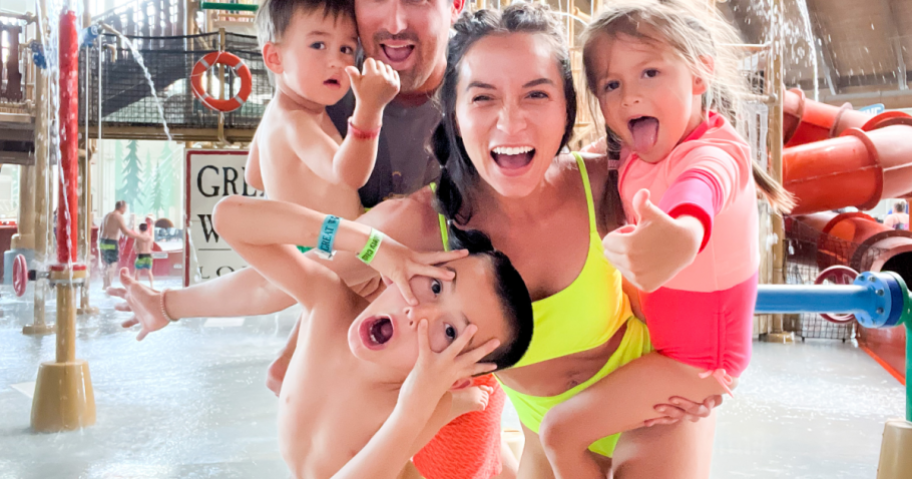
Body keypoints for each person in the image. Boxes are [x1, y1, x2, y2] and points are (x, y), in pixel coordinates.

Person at [111, 4, 722, 478]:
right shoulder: (417, 226)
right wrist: (172, 304)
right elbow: (283, 272)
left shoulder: (609, 183)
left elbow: (717, 183)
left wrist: (711, 361)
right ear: (452, 113)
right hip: (546, 428)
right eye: (483, 97)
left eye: (537, 94)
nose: (511, 123)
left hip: (650, 396)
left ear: (568, 109)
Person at [536, 2, 794, 477]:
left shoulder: (716, 152)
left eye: (650, 72)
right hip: (665, 351)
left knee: (560, 431)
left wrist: (681, 236)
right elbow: (564, 172)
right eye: (611, 85)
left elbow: (699, 192)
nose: (630, 95)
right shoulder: (631, 153)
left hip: (697, 362)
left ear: (700, 74)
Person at [212, 193, 533, 479]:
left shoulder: (414, 408)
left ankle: (468, 401)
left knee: (471, 441)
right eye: (435, 286)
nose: (418, 313)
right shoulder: (328, 304)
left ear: (450, 378)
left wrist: (413, 409)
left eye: (450, 332)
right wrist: (371, 245)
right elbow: (229, 218)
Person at [248, 0, 400, 224]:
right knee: (409, 213)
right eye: (318, 45)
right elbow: (348, 177)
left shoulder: (277, 113)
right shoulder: (296, 122)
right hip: (329, 250)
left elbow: (255, 178)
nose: (336, 62)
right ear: (275, 58)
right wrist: (369, 108)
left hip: (316, 244)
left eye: (346, 49)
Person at [100, 201, 142, 290]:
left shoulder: (107, 216)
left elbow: (100, 230)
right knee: (112, 264)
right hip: (112, 242)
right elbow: (125, 232)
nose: (125, 210)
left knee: (106, 264)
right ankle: (108, 287)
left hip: (103, 242)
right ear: (122, 208)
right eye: (125, 208)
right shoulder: (118, 217)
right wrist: (138, 236)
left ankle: (104, 285)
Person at [134, 219, 155, 288]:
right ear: (146, 229)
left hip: (141, 255)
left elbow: (135, 247)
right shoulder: (150, 238)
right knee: (149, 272)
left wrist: (138, 250)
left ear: (140, 229)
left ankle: (137, 286)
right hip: (149, 256)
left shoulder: (138, 237)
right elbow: (151, 247)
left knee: (137, 272)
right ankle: (152, 286)